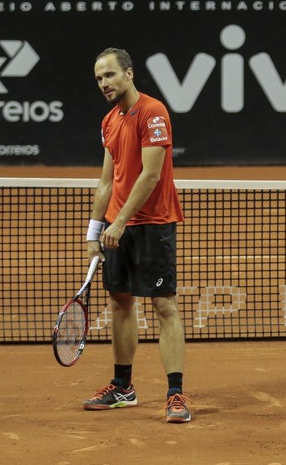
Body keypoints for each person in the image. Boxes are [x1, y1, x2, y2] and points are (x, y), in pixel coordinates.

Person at [82, 47, 192, 423]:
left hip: (153, 223)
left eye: (109, 75)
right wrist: (94, 230)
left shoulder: (153, 112)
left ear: (129, 74)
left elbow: (150, 174)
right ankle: (122, 387)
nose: (104, 84)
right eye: (99, 78)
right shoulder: (109, 120)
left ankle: (175, 394)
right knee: (120, 303)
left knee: (164, 306)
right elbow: (106, 180)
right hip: (117, 226)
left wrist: (121, 221)